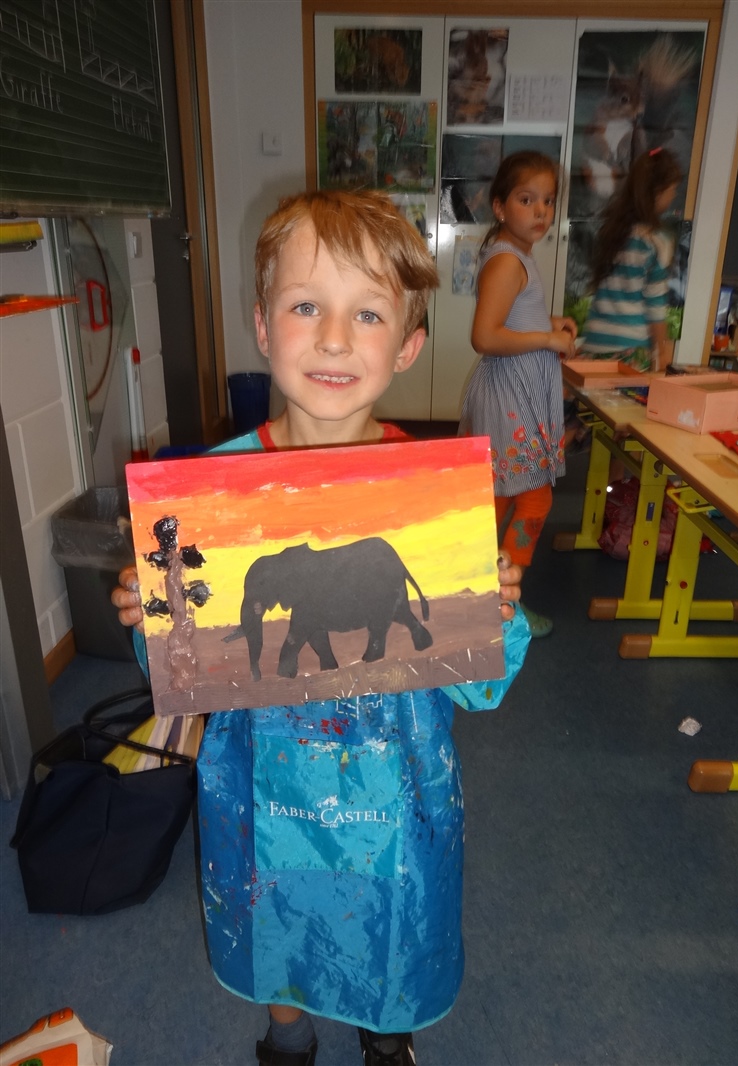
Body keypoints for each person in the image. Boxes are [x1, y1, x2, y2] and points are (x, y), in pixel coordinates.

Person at [112, 189, 529, 1066]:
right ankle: (288, 1034)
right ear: (262, 325)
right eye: (306, 306)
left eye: (367, 313)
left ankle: (386, 1034)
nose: (334, 338)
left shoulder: (433, 498)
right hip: (262, 781)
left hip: (396, 782)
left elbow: (480, 687)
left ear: (408, 344)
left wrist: (498, 611)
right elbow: (181, 669)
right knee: (274, 905)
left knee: (389, 913)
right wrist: (146, 616)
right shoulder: (207, 496)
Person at [459, 151, 577, 638]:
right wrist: (548, 338)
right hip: (510, 397)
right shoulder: (508, 260)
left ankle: (481, 592)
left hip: (515, 393)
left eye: (547, 201)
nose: (540, 211)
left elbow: (510, 318)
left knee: (504, 495)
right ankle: (502, 600)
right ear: (500, 206)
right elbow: (485, 336)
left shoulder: (515, 253)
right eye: (527, 200)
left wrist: (549, 322)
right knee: (531, 500)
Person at [581, 146, 682, 373]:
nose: (674, 195)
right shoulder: (657, 241)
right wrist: (662, 350)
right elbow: (655, 304)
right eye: (673, 189)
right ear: (658, 192)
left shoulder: (612, 231)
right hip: (629, 351)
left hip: (594, 345)